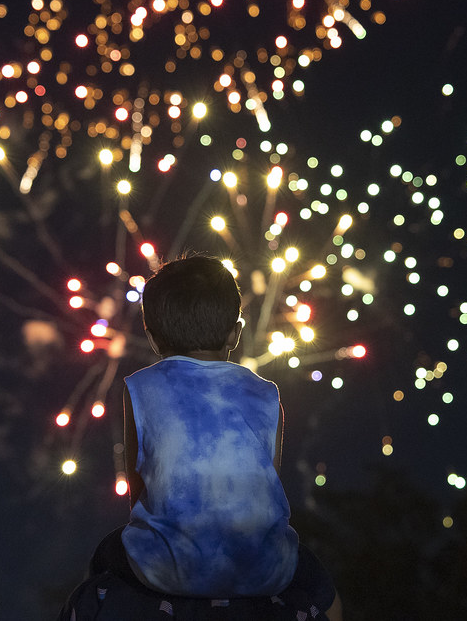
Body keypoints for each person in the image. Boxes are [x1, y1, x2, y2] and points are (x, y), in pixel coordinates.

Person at [72, 254, 341, 620]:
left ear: (151, 336)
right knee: (325, 595)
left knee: (103, 560)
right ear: (237, 331)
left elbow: (140, 489)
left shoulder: (139, 387)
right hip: (261, 568)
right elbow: (266, 482)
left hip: (164, 570)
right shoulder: (267, 392)